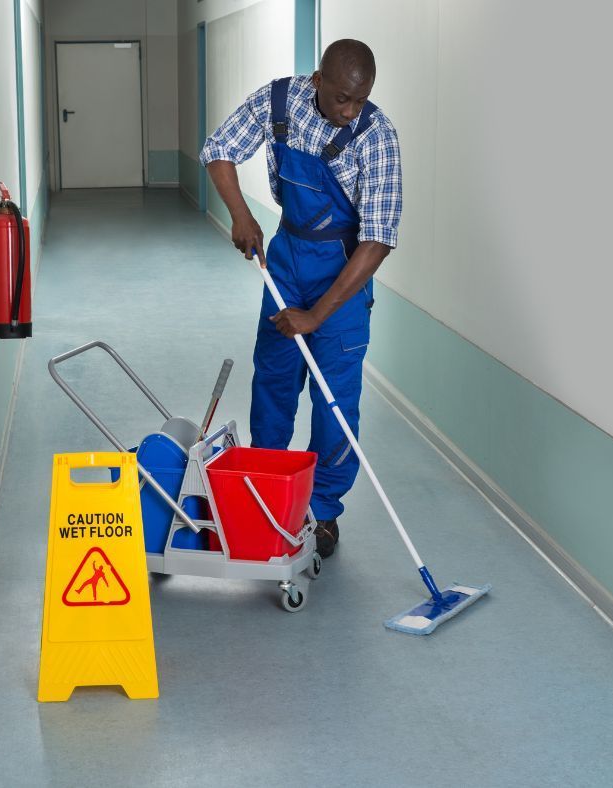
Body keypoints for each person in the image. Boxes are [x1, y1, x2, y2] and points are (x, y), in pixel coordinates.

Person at [200, 39, 402, 558]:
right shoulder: (278, 103)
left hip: (345, 270)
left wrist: (317, 315)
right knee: (273, 379)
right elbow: (218, 150)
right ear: (317, 81)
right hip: (288, 258)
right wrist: (241, 215)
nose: (349, 112)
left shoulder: (376, 137)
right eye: (340, 99)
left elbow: (376, 239)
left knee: (335, 402)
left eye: (359, 101)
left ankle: (324, 512)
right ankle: (267, 492)